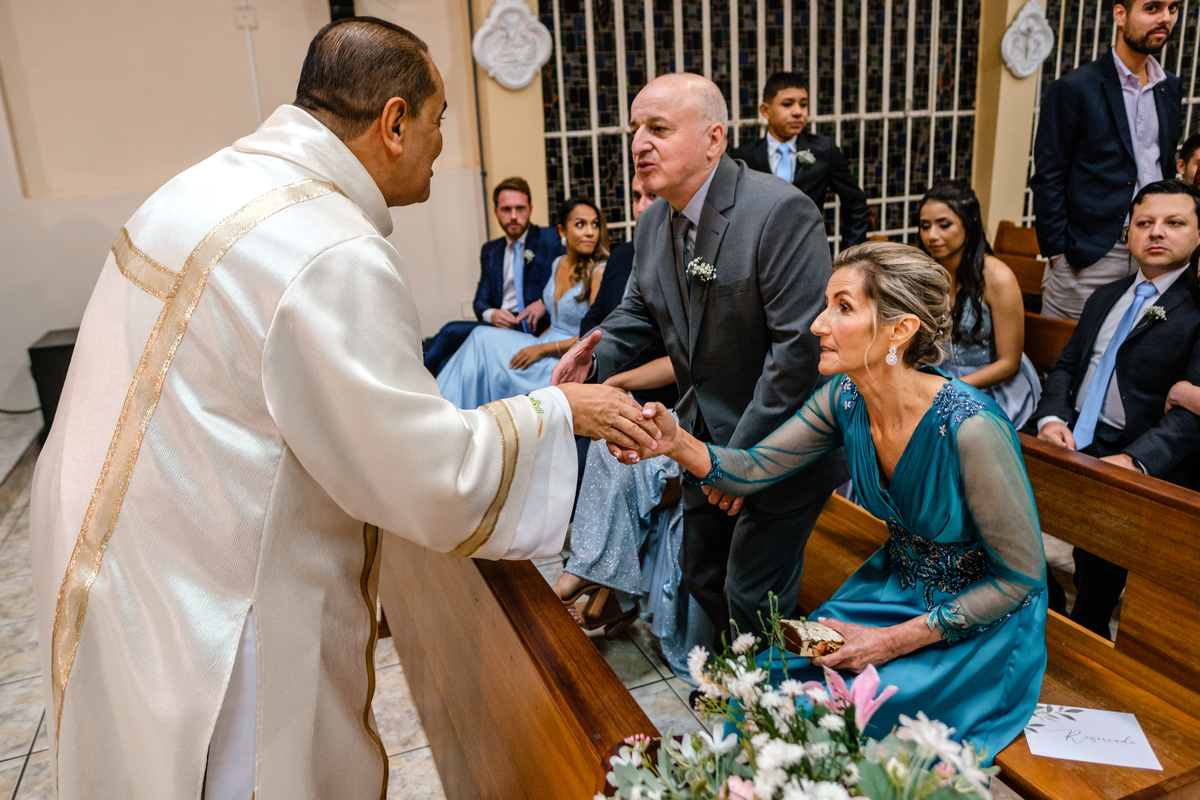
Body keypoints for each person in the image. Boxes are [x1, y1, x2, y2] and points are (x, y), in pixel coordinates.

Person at [28, 18, 661, 800]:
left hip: (114, 550)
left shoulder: (209, 183)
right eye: (438, 124)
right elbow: (426, 472)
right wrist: (560, 412)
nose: (438, 146)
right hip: (213, 610)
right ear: (395, 123)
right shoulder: (328, 250)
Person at [631, 241, 1049, 765]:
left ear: (900, 330)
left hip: (973, 623)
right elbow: (757, 466)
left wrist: (889, 643)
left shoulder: (971, 428)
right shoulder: (845, 397)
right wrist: (675, 441)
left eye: (842, 308)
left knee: (831, 719)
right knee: (765, 676)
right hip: (888, 589)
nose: (817, 325)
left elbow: (1021, 579)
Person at [553, 73, 849, 642]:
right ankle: (733, 688)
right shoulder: (652, 221)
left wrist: (733, 464)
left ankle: (765, 705)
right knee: (703, 573)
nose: (639, 142)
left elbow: (798, 353)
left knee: (753, 593)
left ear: (713, 139)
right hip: (700, 435)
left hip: (778, 446)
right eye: (635, 128)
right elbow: (640, 309)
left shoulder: (779, 212)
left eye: (658, 128)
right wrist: (593, 354)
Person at [1034, 179, 1200, 639]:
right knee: (1006, 504)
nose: (1156, 233)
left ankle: (1086, 628)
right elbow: (1067, 367)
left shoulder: (1196, 307)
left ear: (1198, 233)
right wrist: (1050, 421)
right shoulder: (1107, 295)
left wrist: (1135, 460)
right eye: (1144, 223)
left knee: (1103, 546)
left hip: (1138, 448)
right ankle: (1042, 602)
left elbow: (1190, 418)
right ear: (1128, 234)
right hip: (1074, 436)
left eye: (1174, 223)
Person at [1029, 0, 1182, 321]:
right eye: (1152, 8)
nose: (1165, 18)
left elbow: (1164, 166)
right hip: (1089, 254)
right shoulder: (1075, 88)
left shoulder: (1169, 86)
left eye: (1173, 8)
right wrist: (1059, 253)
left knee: (1127, 360)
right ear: (1120, 15)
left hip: (1152, 251)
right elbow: (1048, 176)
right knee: (1065, 358)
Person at [438, 197, 608, 407]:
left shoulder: (600, 272)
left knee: (496, 364)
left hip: (568, 355)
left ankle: (450, 412)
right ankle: (444, 408)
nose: (590, 232)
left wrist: (541, 349)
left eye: (595, 224)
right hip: (543, 341)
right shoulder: (558, 263)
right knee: (481, 337)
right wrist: (537, 343)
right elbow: (554, 318)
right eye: (581, 224)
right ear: (562, 232)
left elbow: (595, 337)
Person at [918, 180, 1042, 428]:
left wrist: (949, 389)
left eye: (944, 225)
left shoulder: (997, 277)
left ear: (970, 222)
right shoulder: (929, 274)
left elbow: (1010, 363)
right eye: (925, 226)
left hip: (994, 385)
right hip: (942, 377)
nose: (932, 235)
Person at [422, 176, 564, 375]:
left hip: (536, 328)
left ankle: (413, 381)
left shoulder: (551, 240)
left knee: (450, 331)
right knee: (445, 360)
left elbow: (571, 280)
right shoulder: (491, 250)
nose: (513, 216)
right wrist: (493, 314)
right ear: (496, 211)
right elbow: (480, 301)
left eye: (520, 208)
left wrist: (544, 302)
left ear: (530, 209)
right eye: (506, 209)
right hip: (500, 326)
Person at [731, 71, 870, 248]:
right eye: (787, 104)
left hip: (809, 253)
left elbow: (856, 204)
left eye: (803, 105)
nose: (798, 112)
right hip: (760, 256)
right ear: (765, 110)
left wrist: (847, 257)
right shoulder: (745, 156)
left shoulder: (824, 150)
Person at [579, 174, 676, 407]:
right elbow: (594, 316)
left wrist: (618, 383)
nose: (642, 207)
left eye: (652, 196)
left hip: (659, 396)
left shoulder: (679, 259)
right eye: (636, 197)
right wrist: (591, 362)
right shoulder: (621, 255)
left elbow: (682, 358)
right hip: (606, 379)